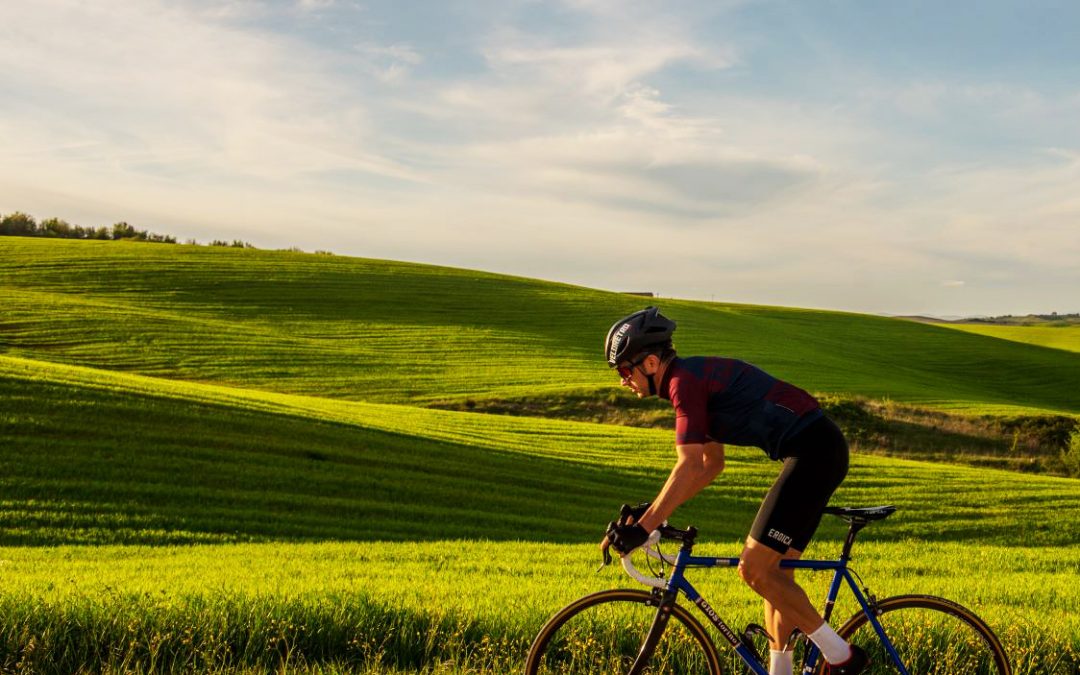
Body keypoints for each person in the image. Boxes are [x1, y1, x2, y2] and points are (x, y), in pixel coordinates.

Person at [600, 307, 868, 675]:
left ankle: (841, 656)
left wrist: (643, 528)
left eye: (624, 371)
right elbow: (710, 466)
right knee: (776, 575)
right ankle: (782, 671)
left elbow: (690, 464)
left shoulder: (683, 384)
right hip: (818, 450)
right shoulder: (689, 381)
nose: (622, 381)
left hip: (814, 452)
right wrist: (653, 515)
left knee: (754, 569)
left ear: (649, 362)